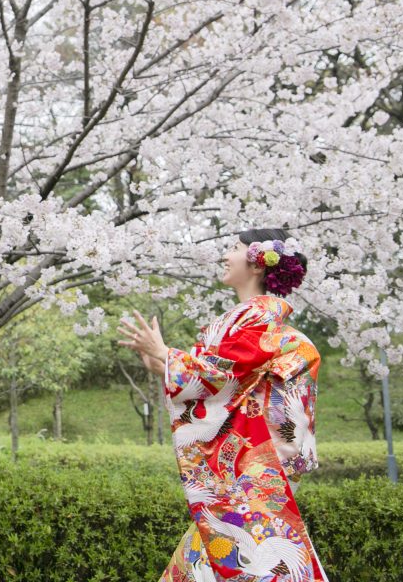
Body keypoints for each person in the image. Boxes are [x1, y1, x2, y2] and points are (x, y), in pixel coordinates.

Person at [119, 228, 328, 582]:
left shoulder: (261, 318)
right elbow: (216, 382)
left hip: (257, 466)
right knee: (219, 554)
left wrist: (166, 357)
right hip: (248, 468)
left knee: (251, 560)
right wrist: (163, 363)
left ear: (258, 263)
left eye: (234, 248)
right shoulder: (246, 319)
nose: (225, 255)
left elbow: (221, 375)